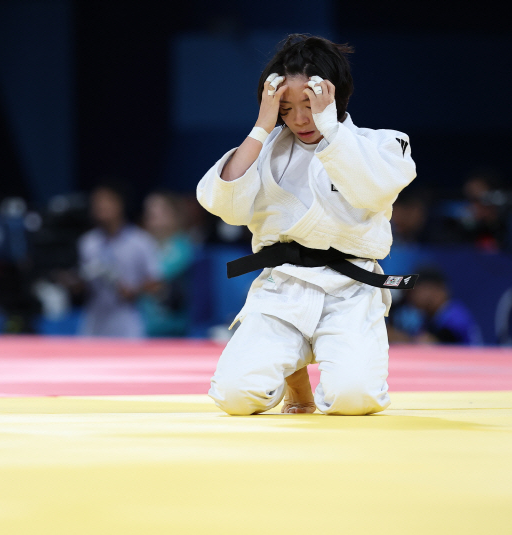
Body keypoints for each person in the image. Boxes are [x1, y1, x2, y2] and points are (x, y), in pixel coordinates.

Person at [197, 34, 416, 416]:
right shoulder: (266, 150)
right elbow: (224, 205)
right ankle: (295, 375)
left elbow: (373, 193)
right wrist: (262, 126)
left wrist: (331, 129)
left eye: (309, 104)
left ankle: (308, 359)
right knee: (235, 397)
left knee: (354, 399)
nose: (299, 119)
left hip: (350, 291)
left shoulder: (382, 144)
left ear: (334, 94)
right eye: (285, 107)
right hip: (283, 289)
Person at [77, 183, 160, 337]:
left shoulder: (141, 241)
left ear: (120, 204)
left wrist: (134, 291)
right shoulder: (88, 242)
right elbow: (84, 283)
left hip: (128, 323)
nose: (100, 206)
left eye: (106, 201)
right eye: (96, 202)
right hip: (93, 323)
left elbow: (156, 283)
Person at [140, 192, 195, 336]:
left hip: (173, 329)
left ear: (175, 215)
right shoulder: (145, 245)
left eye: (161, 209)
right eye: (150, 211)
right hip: (144, 328)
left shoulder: (182, 246)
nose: (154, 214)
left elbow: (154, 278)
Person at [388, 267, 482, 345]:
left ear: (434, 289)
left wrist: (394, 336)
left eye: (416, 289)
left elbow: (431, 344)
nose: (412, 295)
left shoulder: (454, 315)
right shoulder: (431, 316)